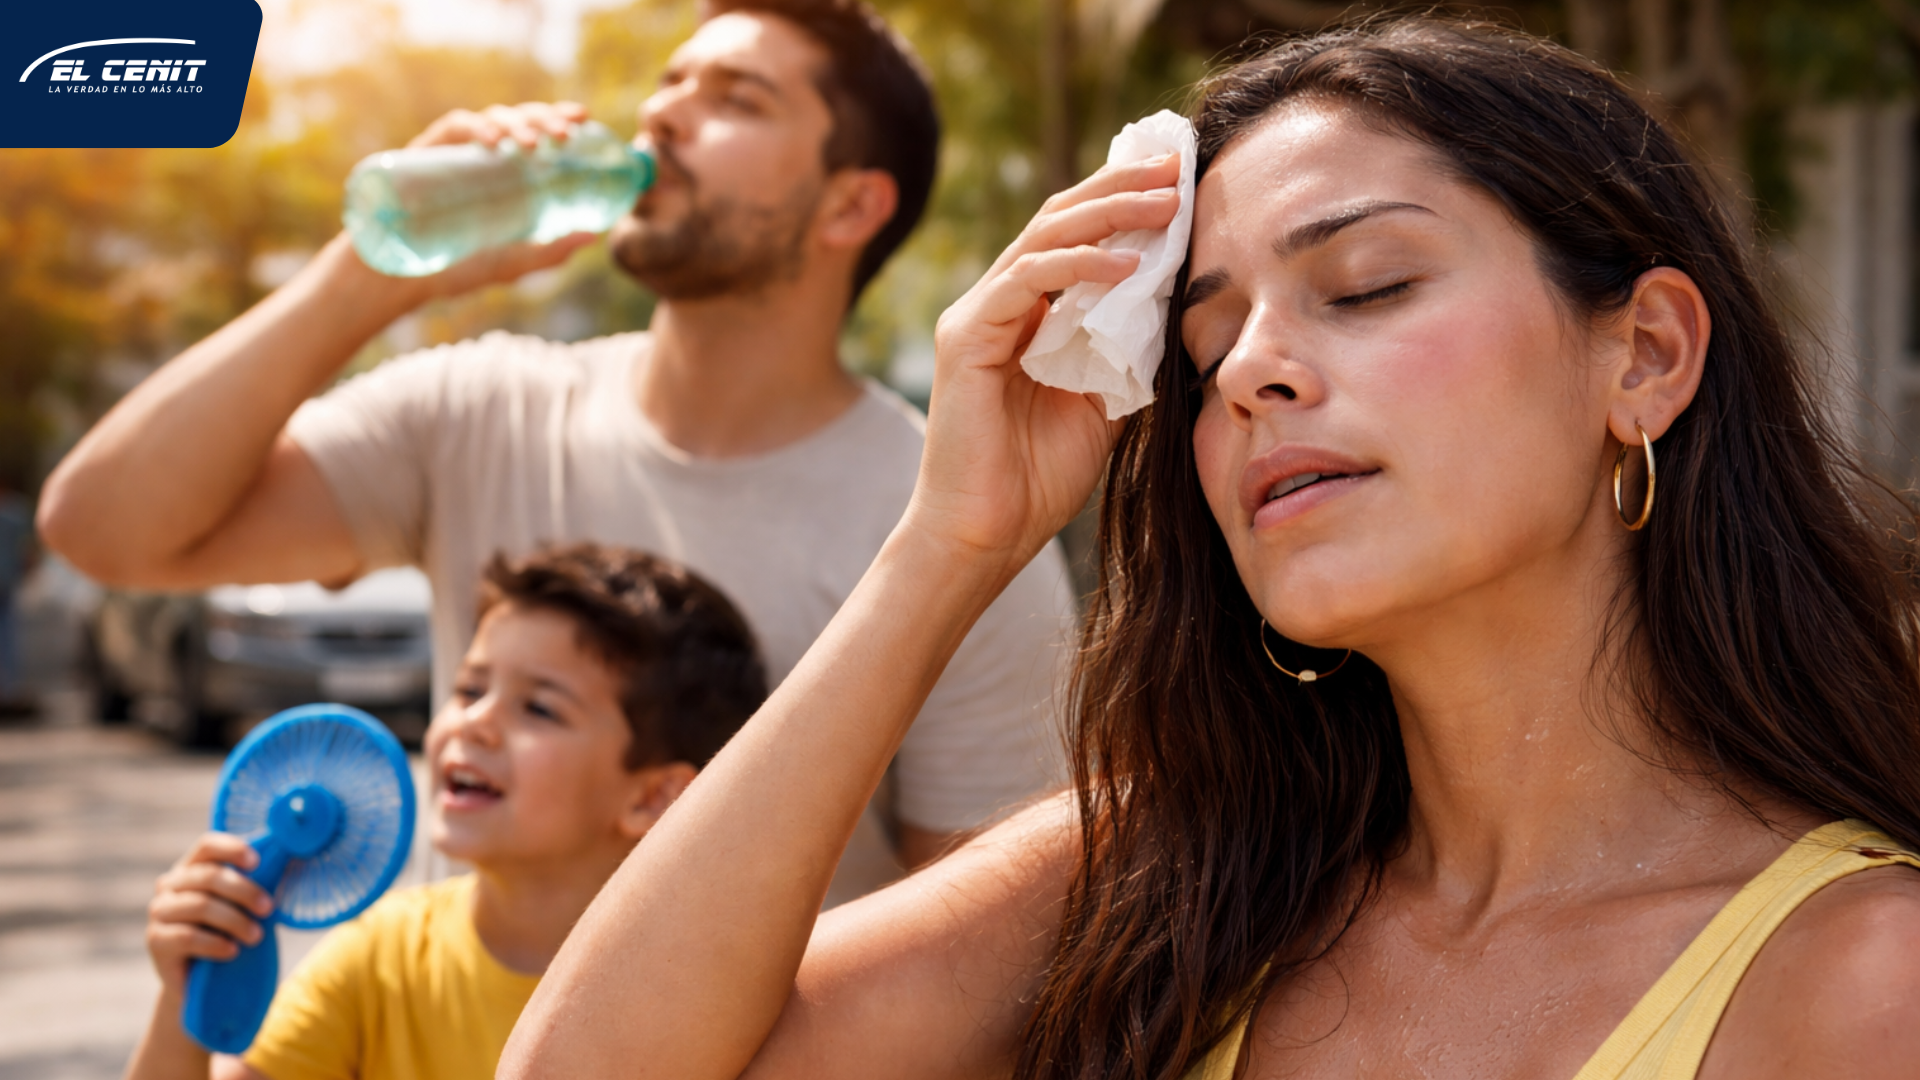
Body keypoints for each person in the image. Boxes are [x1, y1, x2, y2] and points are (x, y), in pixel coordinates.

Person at [498, 17, 1920, 1080]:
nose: (1252, 372)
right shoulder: (1164, 889)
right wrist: (951, 541)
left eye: (1366, 285)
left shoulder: (1861, 982)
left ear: (1648, 354)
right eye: (1202, 342)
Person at [38, 0, 1074, 904]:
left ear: (852, 202)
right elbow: (104, 530)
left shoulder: (955, 519)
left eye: (736, 99)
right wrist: (370, 274)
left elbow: (980, 949)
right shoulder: (481, 405)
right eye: (669, 83)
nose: (661, 113)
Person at [124, 543, 768, 1080]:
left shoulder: (715, 999)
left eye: (538, 708)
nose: (475, 722)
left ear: (653, 797)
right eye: (470, 688)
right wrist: (187, 991)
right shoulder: (382, 958)